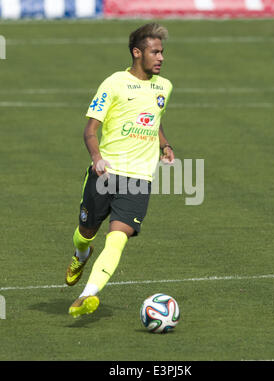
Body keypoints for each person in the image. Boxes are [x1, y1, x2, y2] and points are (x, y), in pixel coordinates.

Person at [65, 23, 175, 318]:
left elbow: (155, 119)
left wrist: (164, 145)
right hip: (106, 174)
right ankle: (81, 254)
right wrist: (97, 157)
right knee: (86, 233)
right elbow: (90, 129)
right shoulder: (113, 83)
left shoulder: (164, 87)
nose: (161, 58)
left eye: (162, 52)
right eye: (155, 52)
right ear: (137, 53)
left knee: (117, 238)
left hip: (139, 178)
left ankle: (88, 294)